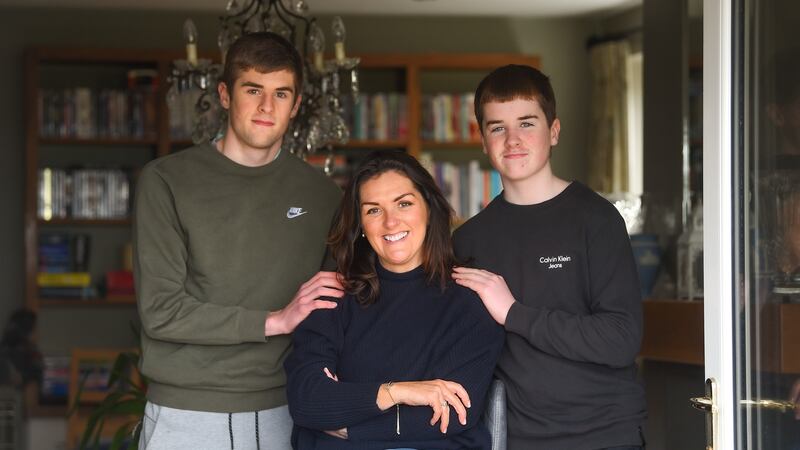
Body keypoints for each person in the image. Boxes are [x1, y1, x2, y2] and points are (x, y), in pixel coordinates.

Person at [133, 32, 343, 450]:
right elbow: (161, 311)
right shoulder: (166, 181)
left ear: (297, 105)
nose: (267, 107)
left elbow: (336, 307)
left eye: (281, 93)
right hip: (186, 413)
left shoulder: (324, 196)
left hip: (287, 410)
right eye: (254, 90)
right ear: (226, 95)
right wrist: (275, 320)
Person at [451, 64, 647, 450]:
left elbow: (621, 339)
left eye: (527, 123)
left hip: (605, 435)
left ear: (553, 131)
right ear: (483, 139)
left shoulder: (596, 219)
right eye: (497, 127)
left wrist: (514, 313)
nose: (512, 140)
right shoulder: (469, 239)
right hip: (517, 439)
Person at [284, 151, 504, 450]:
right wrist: (397, 392)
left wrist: (349, 420)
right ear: (360, 223)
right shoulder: (333, 293)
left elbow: (452, 414)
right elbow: (308, 401)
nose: (391, 222)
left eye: (404, 204)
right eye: (373, 210)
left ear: (429, 207)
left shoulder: (469, 298)